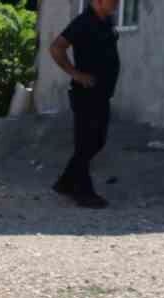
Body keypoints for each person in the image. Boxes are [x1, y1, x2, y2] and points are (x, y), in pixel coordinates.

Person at [49, 0, 121, 208]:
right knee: (85, 143)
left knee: (97, 141)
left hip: (102, 93)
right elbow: (56, 48)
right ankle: (83, 192)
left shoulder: (106, 21)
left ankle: (65, 182)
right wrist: (76, 74)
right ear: (98, 2)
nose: (117, 3)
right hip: (86, 93)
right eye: (112, 0)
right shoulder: (83, 22)